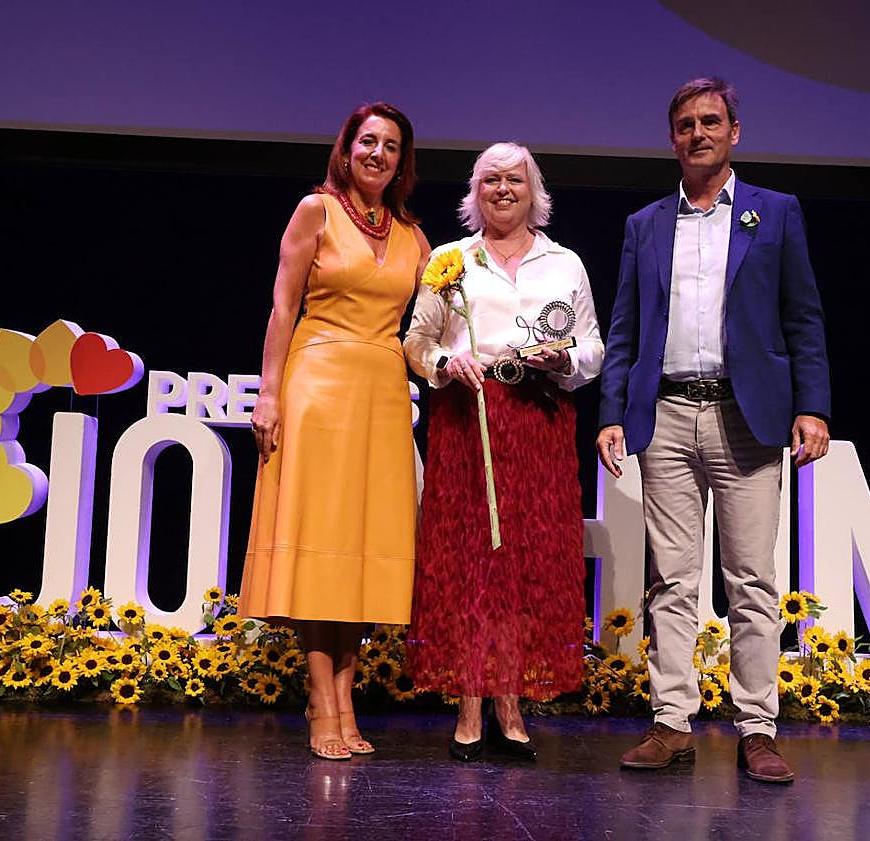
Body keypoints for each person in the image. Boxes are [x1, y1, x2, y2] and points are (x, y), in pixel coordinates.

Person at [596, 78, 831, 783]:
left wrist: (812, 405)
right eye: (685, 124)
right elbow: (625, 328)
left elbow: (803, 318)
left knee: (752, 581)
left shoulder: (776, 213)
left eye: (710, 121)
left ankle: (756, 727)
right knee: (672, 580)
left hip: (747, 417)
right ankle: (672, 723)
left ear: (735, 131)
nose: (698, 133)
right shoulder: (645, 224)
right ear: (672, 139)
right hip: (665, 414)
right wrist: (611, 411)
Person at [239, 102, 430, 760]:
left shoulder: (412, 234)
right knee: (320, 548)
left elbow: (430, 324)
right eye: (367, 141)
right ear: (345, 150)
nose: (378, 153)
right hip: (317, 386)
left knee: (361, 554)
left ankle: (347, 703)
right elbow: (282, 304)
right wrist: (267, 393)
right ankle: (322, 700)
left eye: (391, 146)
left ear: (404, 160)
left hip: (380, 393)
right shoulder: (314, 210)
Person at [404, 142, 604, 761]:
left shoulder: (564, 264)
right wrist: (445, 359)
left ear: (533, 189)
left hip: (539, 419)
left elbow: (594, 346)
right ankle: (469, 702)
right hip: (470, 419)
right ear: (475, 191)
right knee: (470, 560)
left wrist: (566, 358)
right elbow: (415, 341)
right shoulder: (447, 261)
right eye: (490, 180)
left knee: (524, 563)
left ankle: (511, 702)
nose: (502, 189)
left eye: (514, 179)